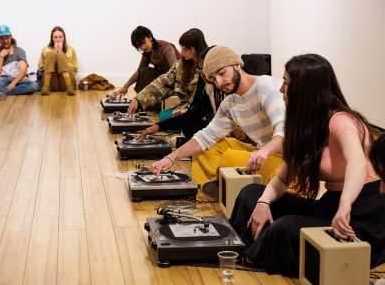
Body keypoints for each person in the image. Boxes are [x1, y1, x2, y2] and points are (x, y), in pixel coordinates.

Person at [229, 54, 385, 277]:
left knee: (285, 227)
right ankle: (253, 247)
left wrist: (345, 205)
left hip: (360, 213)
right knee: (251, 194)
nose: (282, 89)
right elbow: (283, 179)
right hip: (330, 205)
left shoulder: (341, 121)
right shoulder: (306, 125)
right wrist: (263, 202)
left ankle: (258, 249)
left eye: (286, 82)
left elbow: (357, 162)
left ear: (305, 89)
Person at [151, 46, 285, 187]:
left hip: (290, 160)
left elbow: (283, 133)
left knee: (230, 158)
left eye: (222, 73)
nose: (219, 83)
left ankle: (227, 183)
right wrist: (171, 158)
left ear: (237, 64)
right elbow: (205, 137)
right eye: (214, 80)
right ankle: (216, 185)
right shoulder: (230, 103)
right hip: (261, 153)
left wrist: (263, 152)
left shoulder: (267, 87)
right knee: (208, 148)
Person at [137, 46, 226, 143]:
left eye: (184, 48)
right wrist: (158, 126)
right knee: (188, 127)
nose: (181, 52)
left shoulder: (230, 90)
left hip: (228, 138)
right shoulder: (208, 85)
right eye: (201, 72)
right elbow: (193, 113)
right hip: (203, 122)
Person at [126, 28, 208, 115]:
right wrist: (138, 99)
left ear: (193, 49)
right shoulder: (181, 64)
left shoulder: (208, 66)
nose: (181, 52)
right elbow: (162, 82)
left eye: (184, 49)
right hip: (181, 103)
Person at [113, 26, 180, 96]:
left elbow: (175, 70)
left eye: (143, 43)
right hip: (163, 78)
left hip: (177, 78)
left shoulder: (166, 47)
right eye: (139, 46)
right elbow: (139, 72)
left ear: (150, 37)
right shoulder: (147, 53)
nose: (142, 47)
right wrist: (125, 87)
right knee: (144, 72)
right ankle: (142, 100)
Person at [0, 25, 39, 100]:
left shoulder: (19, 51)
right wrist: (1, 57)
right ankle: (2, 91)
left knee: (34, 86)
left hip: (18, 79)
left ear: (10, 37)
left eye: (7, 38)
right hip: (2, 79)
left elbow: (23, 70)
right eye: (2, 38)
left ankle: (1, 93)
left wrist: (13, 83)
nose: (5, 41)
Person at [38, 26, 77, 95]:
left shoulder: (70, 50)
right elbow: (41, 67)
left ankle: (69, 87)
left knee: (60, 54)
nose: (58, 39)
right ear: (52, 38)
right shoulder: (45, 50)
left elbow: (75, 69)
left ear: (64, 37)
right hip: (51, 82)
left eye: (60, 37)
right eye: (55, 37)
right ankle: (45, 87)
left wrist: (61, 55)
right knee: (52, 53)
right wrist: (54, 53)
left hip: (67, 82)